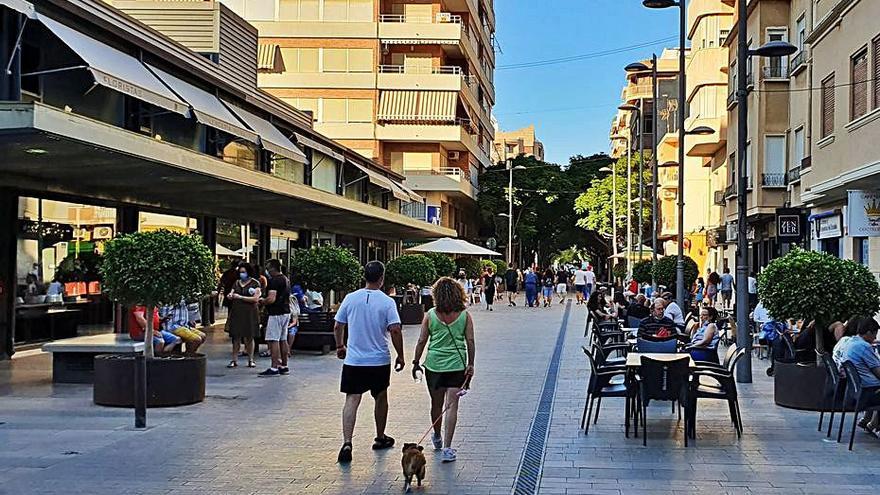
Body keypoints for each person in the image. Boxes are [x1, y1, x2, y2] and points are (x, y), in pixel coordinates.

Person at [333, 261, 405, 464]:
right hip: (378, 359)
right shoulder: (387, 302)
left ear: (364, 276)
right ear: (382, 278)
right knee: (380, 397)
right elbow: (395, 330)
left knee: (351, 399)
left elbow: (338, 325)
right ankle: (380, 437)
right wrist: (400, 355)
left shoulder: (350, 298)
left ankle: (347, 442)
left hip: (354, 359)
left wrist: (340, 346)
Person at [411, 277, 475, 463]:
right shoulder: (465, 315)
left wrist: (416, 361)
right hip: (457, 365)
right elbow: (470, 341)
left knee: (436, 405)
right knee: (452, 406)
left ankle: (437, 436)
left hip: (434, 365)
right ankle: (448, 448)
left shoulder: (430, 315)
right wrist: (471, 363)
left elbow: (422, 340)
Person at [835, 317, 880, 435]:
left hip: (854, 392)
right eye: (875, 334)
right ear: (869, 332)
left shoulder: (850, 342)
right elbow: (878, 373)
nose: (875, 338)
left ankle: (871, 423)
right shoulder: (864, 347)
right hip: (867, 394)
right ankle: (874, 425)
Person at [258, 259, 291, 377]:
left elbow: (271, 299)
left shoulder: (274, 281)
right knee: (283, 339)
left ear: (272, 268)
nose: (267, 271)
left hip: (276, 313)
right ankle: (284, 365)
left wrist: (262, 301)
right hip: (286, 312)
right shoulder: (286, 279)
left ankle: (274, 367)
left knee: (273, 339)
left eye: (268, 268)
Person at [226, 262, 261, 368]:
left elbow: (255, 298)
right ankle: (234, 359)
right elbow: (231, 293)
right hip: (237, 312)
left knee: (249, 337)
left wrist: (240, 297)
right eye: (240, 272)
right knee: (235, 337)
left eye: (244, 272)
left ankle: (251, 359)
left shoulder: (255, 283)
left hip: (250, 312)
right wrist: (230, 295)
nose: (242, 274)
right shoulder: (236, 283)